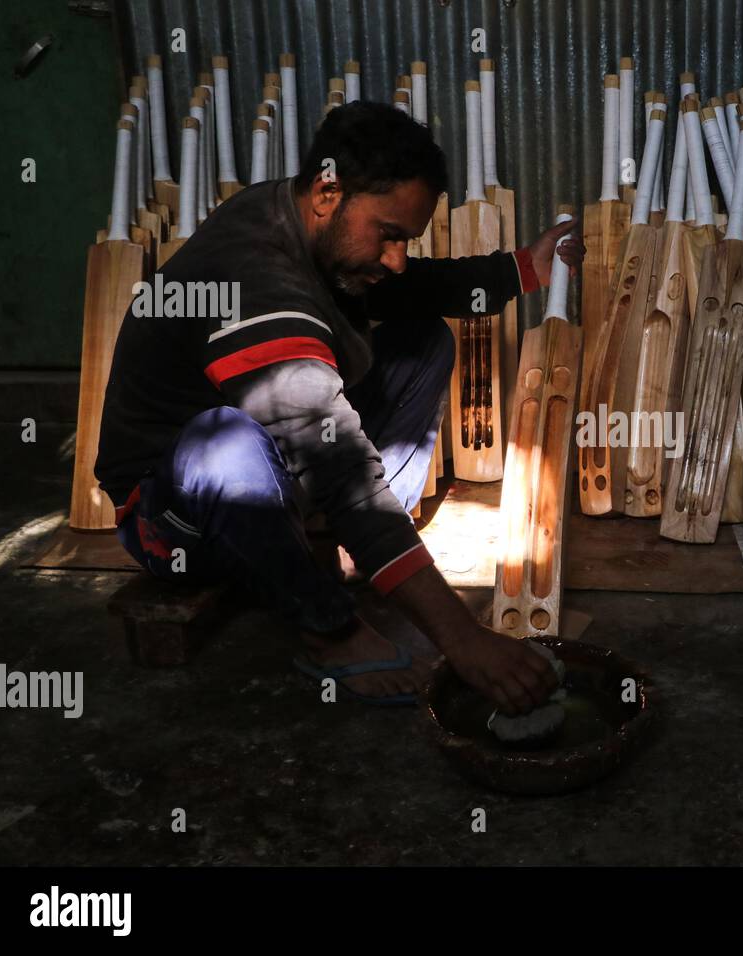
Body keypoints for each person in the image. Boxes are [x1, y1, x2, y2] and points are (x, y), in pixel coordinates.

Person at [95, 101, 581, 711]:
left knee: (422, 339)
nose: (397, 256)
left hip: (272, 461)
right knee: (230, 447)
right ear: (328, 192)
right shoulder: (256, 285)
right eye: (390, 234)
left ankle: (352, 544)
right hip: (171, 515)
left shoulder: (295, 215)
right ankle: (330, 631)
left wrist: (522, 271)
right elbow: (339, 466)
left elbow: (409, 285)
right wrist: (464, 639)